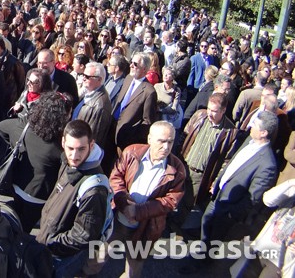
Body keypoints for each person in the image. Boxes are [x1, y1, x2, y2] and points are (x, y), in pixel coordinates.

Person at [185, 111, 278, 271]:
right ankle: (201, 248)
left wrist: (229, 213)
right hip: (218, 195)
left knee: (215, 237)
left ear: (264, 133)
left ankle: (200, 265)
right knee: (206, 222)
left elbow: (252, 200)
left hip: (228, 209)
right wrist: (218, 180)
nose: (250, 126)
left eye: (255, 125)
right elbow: (232, 164)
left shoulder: (267, 165)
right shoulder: (249, 140)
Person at [107, 121, 186, 278]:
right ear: (149, 139)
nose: (166, 147)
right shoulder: (131, 153)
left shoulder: (177, 169)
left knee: (134, 264)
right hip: (118, 219)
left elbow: (171, 200)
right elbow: (116, 177)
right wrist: (124, 202)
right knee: (100, 253)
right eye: (161, 141)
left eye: (170, 142)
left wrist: (138, 211)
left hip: (146, 227)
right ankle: (86, 273)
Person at [36, 119, 110, 278]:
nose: (75, 156)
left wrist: (51, 243)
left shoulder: (94, 190)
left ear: (91, 145)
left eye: (81, 149)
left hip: (60, 257)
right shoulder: (68, 162)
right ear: (63, 142)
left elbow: (83, 235)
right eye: (70, 148)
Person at [0, 92, 69, 232]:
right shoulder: (61, 146)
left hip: (17, 184)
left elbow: (1, 126)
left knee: (16, 216)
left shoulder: (23, 129)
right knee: (25, 226)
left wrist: (13, 144)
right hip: (39, 195)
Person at [113, 53, 159, 152]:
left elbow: (147, 122)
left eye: (135, 64)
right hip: (112, 130)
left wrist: (132, 138)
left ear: (144, 69)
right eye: (131, 62)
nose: (131, 66)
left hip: (127, 141)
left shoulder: (149, 92)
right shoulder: (128, 79)